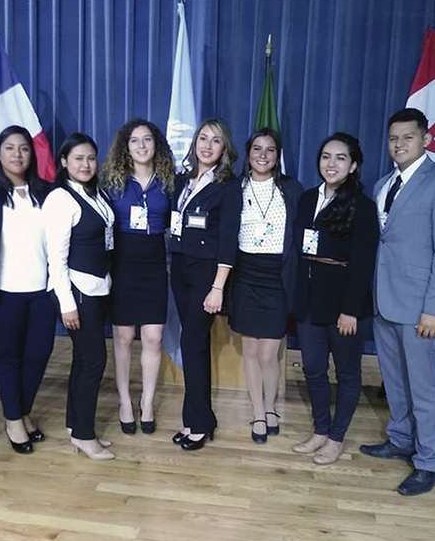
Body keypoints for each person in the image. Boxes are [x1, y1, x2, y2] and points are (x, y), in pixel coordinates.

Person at [360, 108, 435, 495]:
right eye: (393, 138)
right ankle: (401, 439)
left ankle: (429, 462)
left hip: (421, 307)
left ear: (426, 139)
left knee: (425, 387)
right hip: (385, 300)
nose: (399, 144)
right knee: (395, 381)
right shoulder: (383, 184)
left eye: (408, 137)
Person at [290, 133, 379, 464]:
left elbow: (363, 264)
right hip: (308, 300)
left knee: (347, 373)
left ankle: (336, 437)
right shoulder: (307, 198)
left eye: (340, 158)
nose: (331, 163)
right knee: (313, 368)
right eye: (326, 156)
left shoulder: (363, 207)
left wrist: (350, 310)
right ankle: (320, 430)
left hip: (344, 305)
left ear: (353, 165)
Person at [0, 125, 55, 455]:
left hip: (41, 291)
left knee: (38, 354)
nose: (17, 154)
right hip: (2, 292)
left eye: (23, 148)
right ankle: (13, 420)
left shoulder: (46, 192)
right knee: (10, 357)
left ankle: (22, 411)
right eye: (9, 148)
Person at [169, 118, 241, 451]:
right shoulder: (182, 180)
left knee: (192, 343)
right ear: (194, 142)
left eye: (216, 140)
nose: (207, 145)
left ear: (224, 148)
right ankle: (196, 419)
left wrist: (217, 287)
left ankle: (199, 423)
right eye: (203, 138)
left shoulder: (228, 186)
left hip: (206, 275)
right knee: (193, 345)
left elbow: (228, 241)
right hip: (180, 269)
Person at [100, 119, 175, 435]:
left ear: (156, 145)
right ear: (125, 147)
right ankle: (125, 403)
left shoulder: (169, 182)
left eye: (147, 139)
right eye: (134, 140)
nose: (141, 146)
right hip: (123, 265)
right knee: (124, 338)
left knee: (154, 338)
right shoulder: (111, 182)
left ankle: (147, 402)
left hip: (155, 266)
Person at [228, 128, 302, 444]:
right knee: (250, 350)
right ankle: (259, 412)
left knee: (269, 353)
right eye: (256, 149)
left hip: (277, 278)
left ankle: (270, 406)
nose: (263, 155)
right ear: (248, 153)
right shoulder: (235, 188)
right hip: (246, 276)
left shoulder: (292, 189)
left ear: (277, 155)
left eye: (269, 150)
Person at [44, 133, 116, 461]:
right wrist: (67, 304)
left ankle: (76, 426)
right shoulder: (60, 199)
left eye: (90, 158)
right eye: (78, 158)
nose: (86, 164)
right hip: (76, 290)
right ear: (64, 162)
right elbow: (56, 259)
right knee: (95, 361)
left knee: (83, 360)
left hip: (98, 287)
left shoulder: (96, 193)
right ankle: (86, 436)